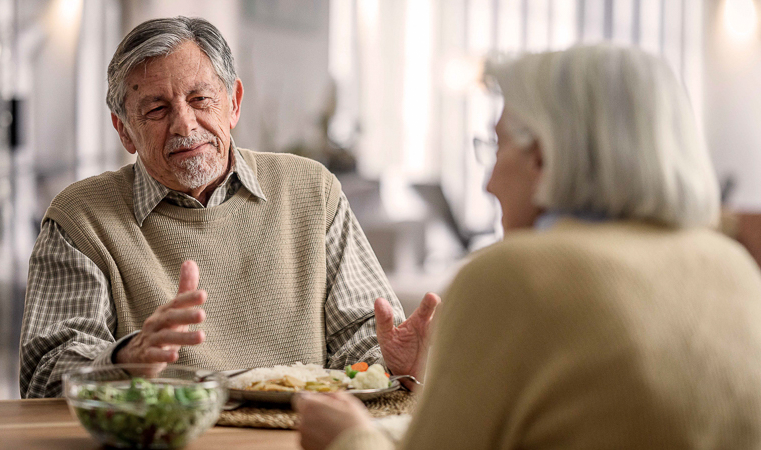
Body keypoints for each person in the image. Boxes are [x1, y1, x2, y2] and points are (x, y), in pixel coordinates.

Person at [295, 45, 761, 449]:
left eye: (495, 148)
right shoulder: (733, 267)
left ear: (542, 156)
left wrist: (350, 441)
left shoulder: (516, 274)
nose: (489, 181)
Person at [19, 16, 440, 399]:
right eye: (156, 109)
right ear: (124, 130)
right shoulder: (82, 217)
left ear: (234, 102)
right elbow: (44, 378)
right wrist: (125, 358)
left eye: (201, 99)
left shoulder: (312, 191)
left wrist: (392, 368)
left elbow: (361, 339)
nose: (184, 124)